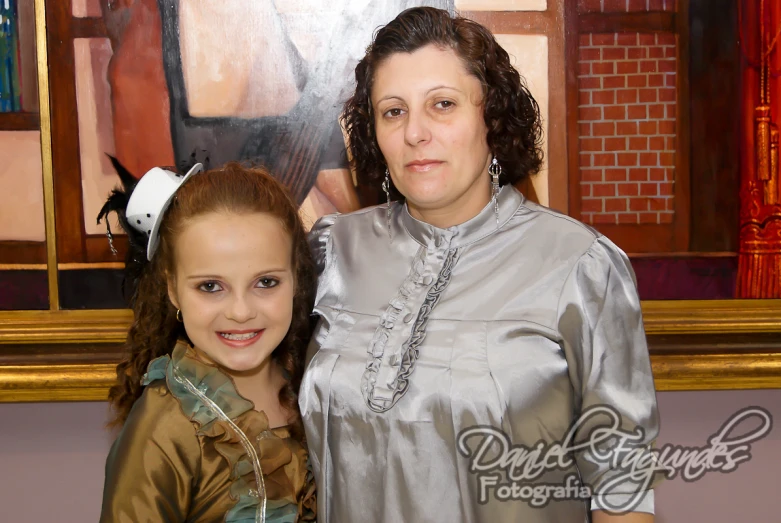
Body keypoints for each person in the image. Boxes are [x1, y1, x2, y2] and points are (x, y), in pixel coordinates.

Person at [300, 7, 661, 523]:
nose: (416, 133)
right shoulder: (333, 250)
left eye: (442, 105)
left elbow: (621, 488)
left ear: (490, 118)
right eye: (393, 111)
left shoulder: (580, 265)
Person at [97, 159, 317, 522]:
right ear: (172, 289)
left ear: (296, 279)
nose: (241, 311)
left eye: (266, 282)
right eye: (211, 287)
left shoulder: (314, 389)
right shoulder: (165, 427)